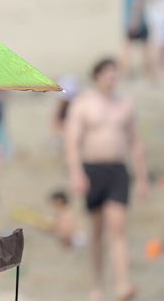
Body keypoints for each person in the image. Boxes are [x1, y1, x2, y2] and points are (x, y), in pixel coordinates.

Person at [65, 58, 148, 301]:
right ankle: (97, 286)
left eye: (115, 73)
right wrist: (76, 173)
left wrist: (143, 177)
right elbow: (72, 143)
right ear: (97, 75)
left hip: (118, 170)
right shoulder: (83, 104)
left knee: (118, 228)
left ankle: (123, 284)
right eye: (108, 72)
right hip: (92, 170)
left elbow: (136, 142)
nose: (113, 77)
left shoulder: (125, 105)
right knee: (97, 231)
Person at [121, 0, 152, 79]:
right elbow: (137, 4)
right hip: (138, 21)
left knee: (127, 47)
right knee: (144, 48)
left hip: (128, 20)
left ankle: (126, 71)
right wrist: (136, 22)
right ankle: (146, 71)